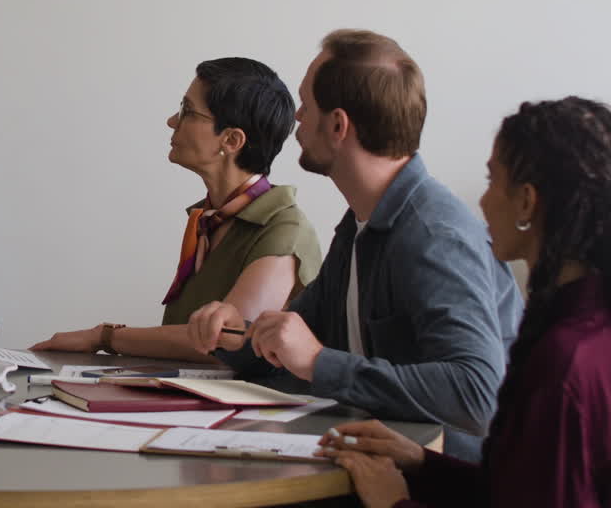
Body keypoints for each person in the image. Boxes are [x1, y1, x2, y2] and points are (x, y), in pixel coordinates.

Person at [190, 30, 523, 461]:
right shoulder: (358, 226)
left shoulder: (434, 235)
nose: (295, 116)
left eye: (306, 105)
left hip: (448, 486)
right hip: (370, 463)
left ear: (337, 126)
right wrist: (234, 335)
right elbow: (286, 349)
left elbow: (476, 395)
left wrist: (317, 362)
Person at [320, 96, 611, 508]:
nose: (483, 200)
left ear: (527, 201)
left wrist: (395, 504)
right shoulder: (583, 329)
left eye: (493, 181)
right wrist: (422, 462)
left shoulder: (564, 360)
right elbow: (520, 487)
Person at [31, 57, 321, 361]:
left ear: (231, 140)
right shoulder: (210, 218)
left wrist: (104, 336)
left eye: (187, 111)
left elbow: (224, 344)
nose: (172, 120)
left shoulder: (284, 228)